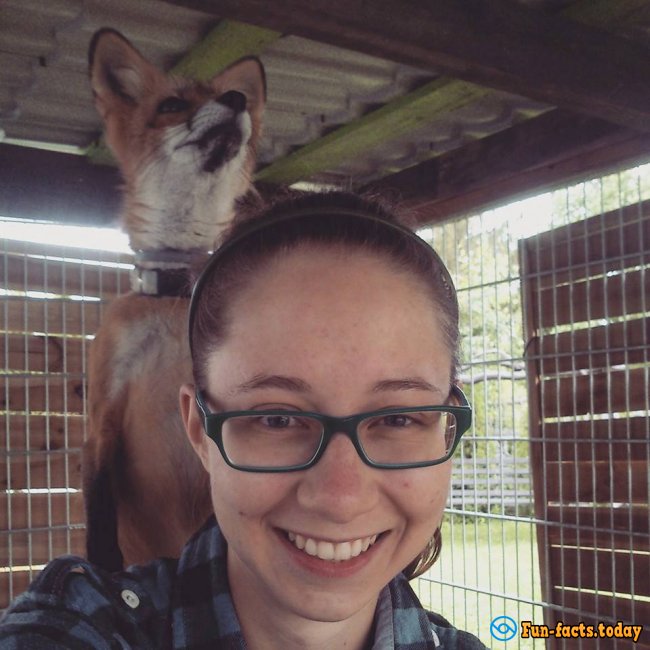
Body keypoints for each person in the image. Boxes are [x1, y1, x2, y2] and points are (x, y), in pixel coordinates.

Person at [0, 191, 487, 649]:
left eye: (398, 419)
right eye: (276, 419)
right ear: (199, 430)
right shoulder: (78, 629)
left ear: (445, 428)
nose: (340, 499)